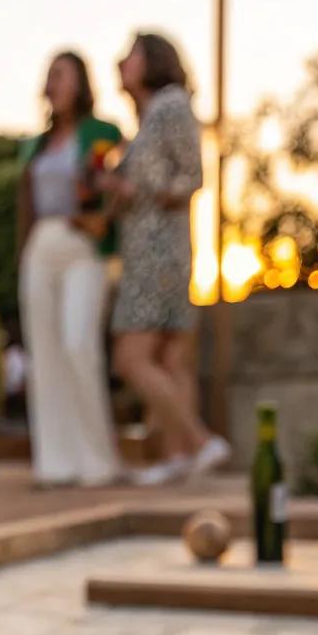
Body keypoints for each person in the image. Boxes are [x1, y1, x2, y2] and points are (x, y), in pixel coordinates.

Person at [104, 32, 230, 484]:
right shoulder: (149, 118)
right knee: (171, 359)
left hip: (157, 252)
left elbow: (192, 177)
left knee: (130, 357)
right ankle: (180, 458)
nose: (120, 63)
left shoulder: (171, 105)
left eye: (130, 56)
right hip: (166, 248)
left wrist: (132, 191)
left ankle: (199, 441)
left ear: (152, 61)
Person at [16, 51, 122, 487]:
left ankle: (98, 461)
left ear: (79, 82)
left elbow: (125, 179)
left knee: (79, 343)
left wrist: (107, 218)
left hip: (83, 246)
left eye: (61, 74)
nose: (53, 82)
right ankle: (56, 462)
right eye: (49, 75)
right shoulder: (34, 146)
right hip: (41, 245)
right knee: (45, 354)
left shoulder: (104, 132)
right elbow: (25, 205)